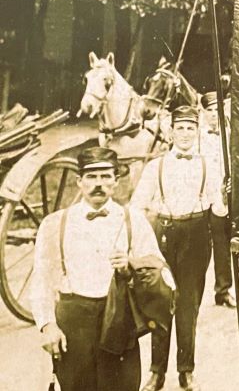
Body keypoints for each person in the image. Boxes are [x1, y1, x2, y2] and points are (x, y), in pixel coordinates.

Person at [31, 147, 165, 391]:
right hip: (74, 325)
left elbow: (158, 270)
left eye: (105, 176)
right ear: (79, 181)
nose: (99, 184)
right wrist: (48, 325)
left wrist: (130, 266)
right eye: (92, 177)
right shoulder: (55, 224)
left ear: (116, 180)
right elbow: (41, 281)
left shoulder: (133, 219)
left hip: (119, 321)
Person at [132, 106, 228, 391]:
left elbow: (219, 209)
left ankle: (186, 371)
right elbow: (137, 207)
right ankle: (156, 372)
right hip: (163, 235)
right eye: (180, 127)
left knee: (188, 306)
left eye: (190, 128)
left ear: (197, 131)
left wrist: (228, 195)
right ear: (170, 131)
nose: (185, 133)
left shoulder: (207, 166)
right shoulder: (155, 167)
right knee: (161, 304)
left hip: (196, 236)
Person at [197, 92, 235, 308]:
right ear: (203, 113)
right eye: (209, 111)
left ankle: (223, 291)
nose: (213, 115)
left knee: (222, 246)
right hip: (200, 198)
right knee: (197, 247)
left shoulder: (230, 134)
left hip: (221, 199)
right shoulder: (195, 136)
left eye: (217, 111)